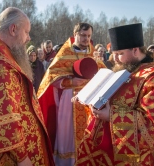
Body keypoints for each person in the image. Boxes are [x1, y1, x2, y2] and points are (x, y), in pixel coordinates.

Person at [75, 23, 154, 166]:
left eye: (119, 54)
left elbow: (150, 125)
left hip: (128, 159)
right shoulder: (123, 71)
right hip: (99, 152)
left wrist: (111, 115)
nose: (114, 59)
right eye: (113, 54)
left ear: (135, 50)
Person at [0, 7, 54, 166]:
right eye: (26, 32)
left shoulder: (0, 60)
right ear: (13, 29)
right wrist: (22, 159)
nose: (28, 38)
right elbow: (2, 123)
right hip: (10, 159)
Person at [37, 22, 106, 166]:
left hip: (90, 102)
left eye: (88, 36)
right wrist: (71, 82)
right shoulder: (65, 53)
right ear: (75, 35)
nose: (86, 39)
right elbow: (51, 78)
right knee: (67, 136)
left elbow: (103, 75)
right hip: (69, 103)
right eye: (82, 35)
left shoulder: (93, 54)